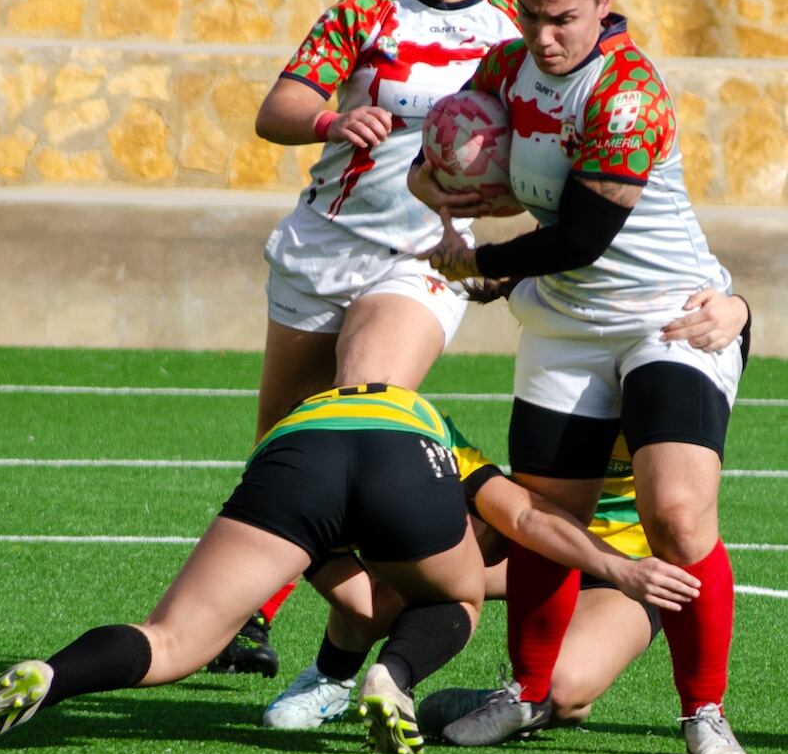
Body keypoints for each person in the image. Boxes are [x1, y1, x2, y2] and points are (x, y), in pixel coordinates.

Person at [408, 0, 749, 754]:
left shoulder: (629, 90)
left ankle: (703, 710)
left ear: (603, 4)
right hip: (565, 324)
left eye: (562, 18)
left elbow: (584, 237)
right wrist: (442, 182)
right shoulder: (503, 65)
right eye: (529, 13)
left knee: (676, 512)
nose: (544, 35)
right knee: (548, 515)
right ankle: (522, 693)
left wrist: (484, 262)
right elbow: (431, 164)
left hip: (670, 317)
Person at [209, 0, 523, 678]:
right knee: (285, 442)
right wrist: (329, 117)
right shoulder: (365, 11)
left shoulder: (512, 34)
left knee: (366, 416)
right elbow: (273, 110)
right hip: (325, 245)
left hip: (421, 259)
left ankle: (421, 587)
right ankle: (276, 611)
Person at [261, 282, 748, 731]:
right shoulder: (562, 344)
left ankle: (494, 699)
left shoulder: (676, 348)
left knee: (566, 692)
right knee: (416, 571)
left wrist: (741, 311)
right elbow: (523, 514)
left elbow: (724, 331)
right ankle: (333, 677)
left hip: (632, 566)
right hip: (546, 546)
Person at [0, 384, 494, 754]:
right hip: (404, 452)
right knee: (460, 598)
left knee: (170, 640)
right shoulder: (447, 441)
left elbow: (367, 607)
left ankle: (51, 677)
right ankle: (391, 679)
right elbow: (519, 514)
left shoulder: (320, 407)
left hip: (295, 454)